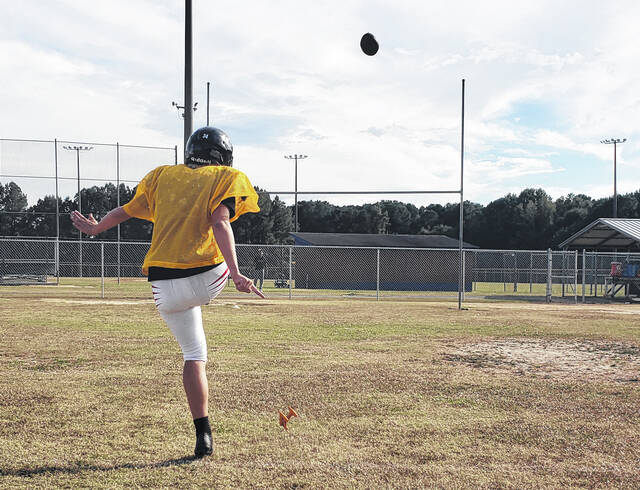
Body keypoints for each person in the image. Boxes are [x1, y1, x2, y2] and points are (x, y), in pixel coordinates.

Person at [70, 126, 263, 458]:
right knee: (197, 346)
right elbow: (220, 222)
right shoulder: (226, 176)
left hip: (163, 286)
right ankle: (203, 435)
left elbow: (125, 211)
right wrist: (235, 273)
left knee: (193, 354)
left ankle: (203, 435)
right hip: (206, 277)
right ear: (223, 155)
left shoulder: (161, 175)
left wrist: (95, 227)